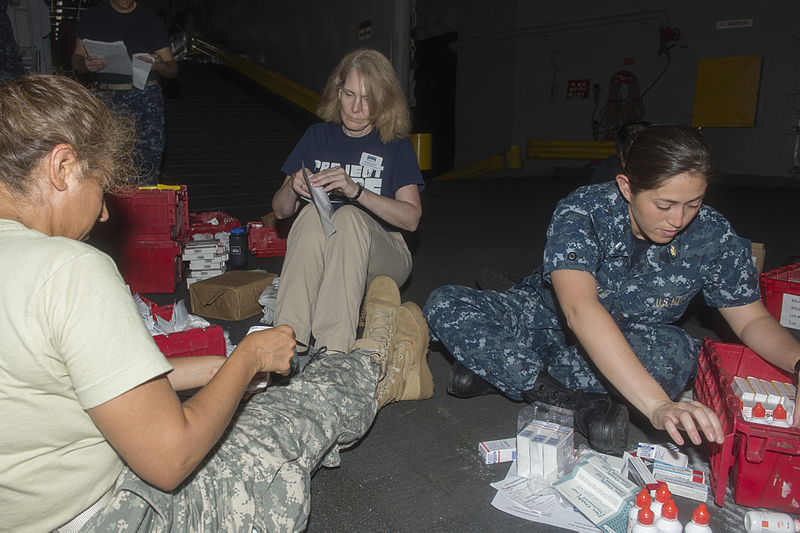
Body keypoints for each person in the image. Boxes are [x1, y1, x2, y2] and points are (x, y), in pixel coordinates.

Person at [0, 75, 431, 532]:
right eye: (102, 187)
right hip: (106, 514)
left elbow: (77, 382)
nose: (105, 212)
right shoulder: (70, 270)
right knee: (286, 422)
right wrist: (247, 359)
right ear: (63, 167)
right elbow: (170, 460)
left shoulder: (34, 268)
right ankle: (375, 361)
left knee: (340, 230)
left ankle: (331, 356)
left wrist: (222, 366)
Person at [424, 123, 800, 454]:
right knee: (446, 304)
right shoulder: (584, 211)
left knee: (680, 355)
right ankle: (565, 399)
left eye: (693, 204)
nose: (678, 219)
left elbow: (751, 320)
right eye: (664, 204)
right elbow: (579, 310)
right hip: (546, 317)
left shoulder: (713, 234)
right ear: (626, 186)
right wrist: (655, 405)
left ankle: (501, 368)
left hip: (625, 337)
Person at [271, 49, 428, 371]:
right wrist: (293, 185)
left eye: (368, 99)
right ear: (337, 92)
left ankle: (333, 351)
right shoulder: (317, 137)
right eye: (349, 94)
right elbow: (280, 211)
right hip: (331, 248)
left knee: (348, 216)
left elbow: (412, 219)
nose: (356, 108)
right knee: (312, 213)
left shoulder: (395, 145)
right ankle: (287, 340)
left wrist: (356, 191)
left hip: (385, 254)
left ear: (383, 102)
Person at [71, 0, 177, 185]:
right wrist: (84, 64)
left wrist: (159, 65)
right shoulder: (92, 18)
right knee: (109, 162)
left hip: (147, 99)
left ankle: (146, 207)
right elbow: (77, 59)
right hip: (108, 100)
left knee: (149, 162)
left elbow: (172, 69)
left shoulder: (150, 20)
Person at [589, 121, 650, 185]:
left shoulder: (659, 174)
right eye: (628, 161)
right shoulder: (608, 169)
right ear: (619, 155)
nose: (636, 168)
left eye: (644, 158)